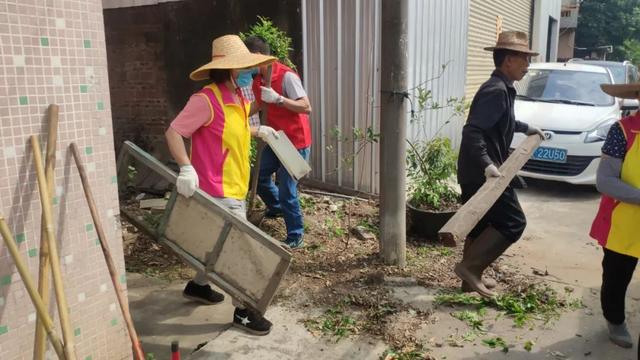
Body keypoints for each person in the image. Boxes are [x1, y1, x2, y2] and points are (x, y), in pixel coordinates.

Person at [165, 34, 279, 335]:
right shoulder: (205, 100)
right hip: (218, 192)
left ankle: (198, 286)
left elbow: (233, 129)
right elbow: (175, 132)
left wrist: (258, 130)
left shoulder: (239, 99)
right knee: (238, 254)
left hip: (236, 187)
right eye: (245, 69)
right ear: (229, 71)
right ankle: (243, 311)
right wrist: (186, 168)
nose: (250, 74)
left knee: (215, 246)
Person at [454, 31, 544, 298]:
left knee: (481, 225)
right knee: (513, 222)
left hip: (477, 171)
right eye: (524, 59)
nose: (527, 65)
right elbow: (472, 131)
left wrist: (527, 127)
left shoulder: (502, 89)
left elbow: (500, 122)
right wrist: (486, 165)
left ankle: (469, 279)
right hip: (484, 173)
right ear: (508, 61)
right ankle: (469, 268)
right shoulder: (495, 90)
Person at [243, 35, 312, 249]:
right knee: (258, 175)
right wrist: (234, 115)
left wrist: (279, 99)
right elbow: (258, 104)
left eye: (248, 58)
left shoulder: (286, 76)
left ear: (259, 56)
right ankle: (276, 207)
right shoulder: (257, 79)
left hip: (295, 141)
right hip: (275, 138)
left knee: (287, 189)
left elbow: (306, 107)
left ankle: (295, 235)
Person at [590, 83, 640, 349]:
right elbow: (605, 181)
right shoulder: (622, 131)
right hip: (623, 222)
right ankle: (615, 320)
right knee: (617, 277)